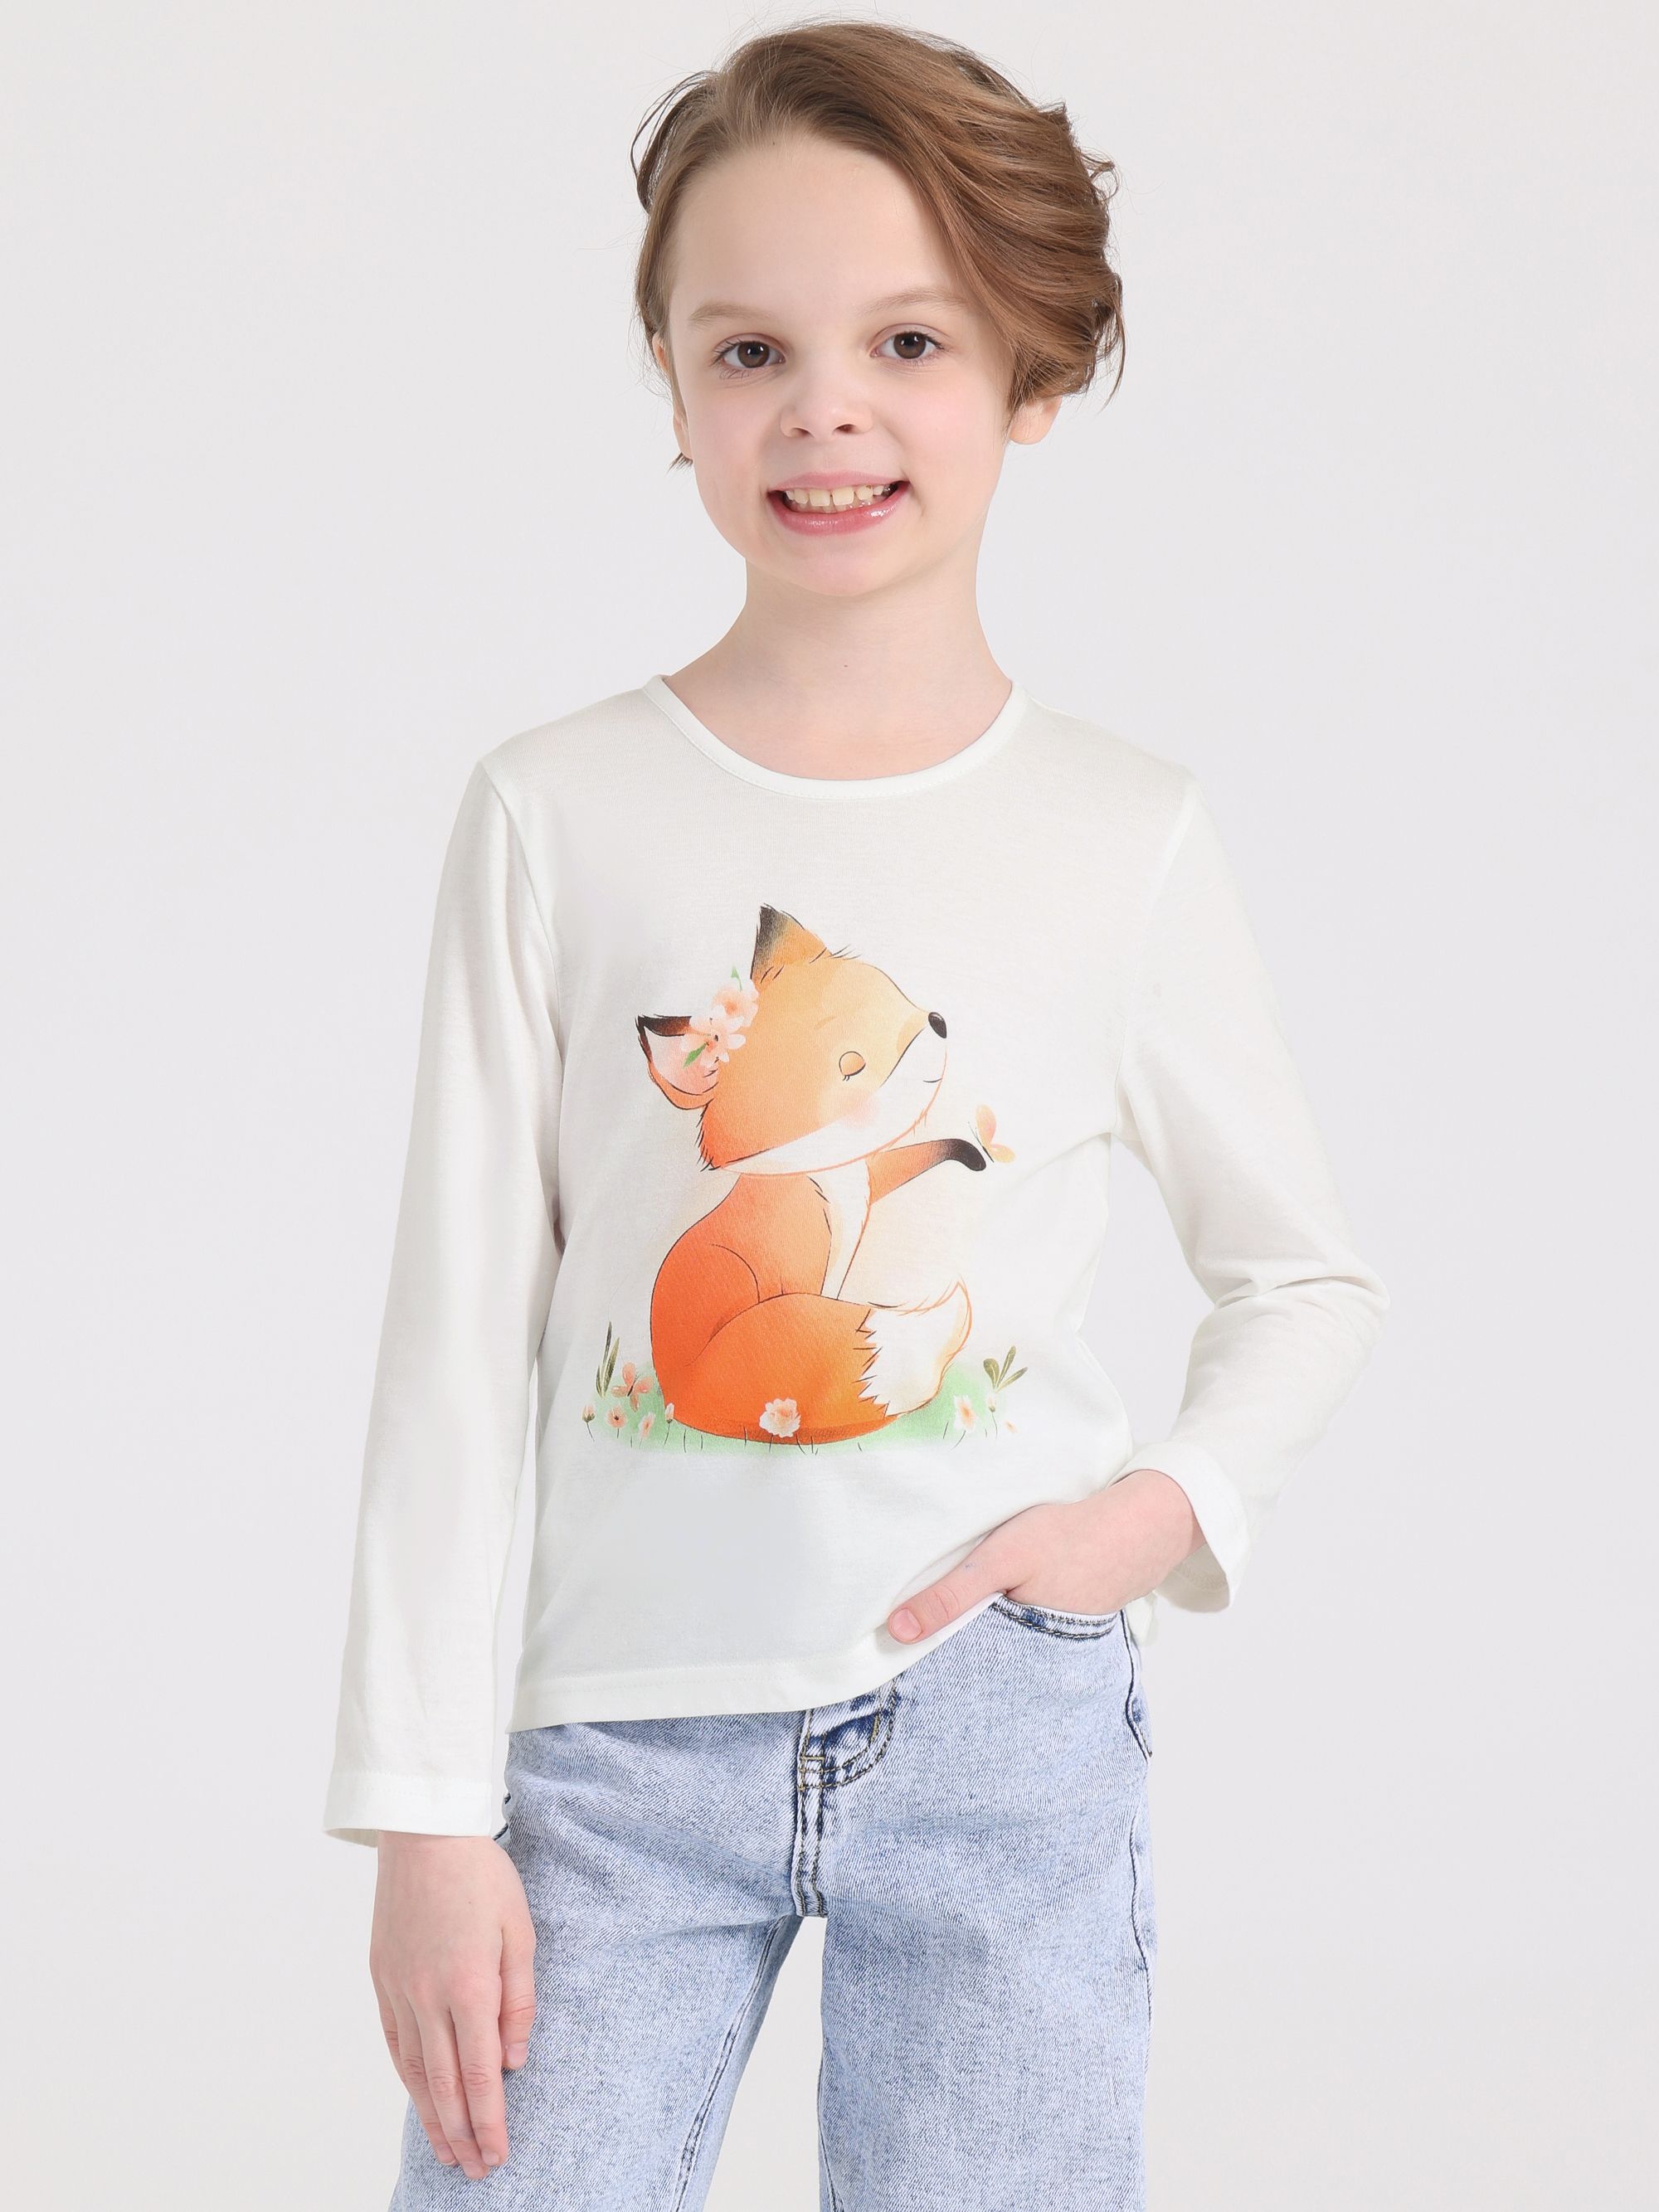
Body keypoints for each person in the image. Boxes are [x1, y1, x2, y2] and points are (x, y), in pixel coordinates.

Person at [323, 20, 1390, 2208]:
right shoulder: (555, 813)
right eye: (751, 349)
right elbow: (456, 1341)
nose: (825, 407)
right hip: (612, 1758)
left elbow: (1303, 1281)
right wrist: (422, 1813)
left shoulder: (1122, 834)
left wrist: (1144, 1520)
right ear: (672, 382)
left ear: (1030, 373)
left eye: (908, 340)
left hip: (1006, 1726)